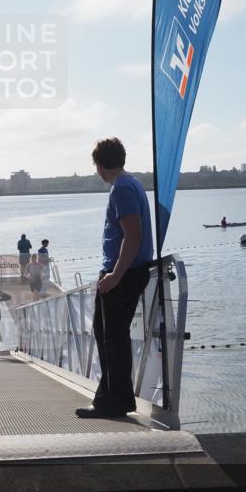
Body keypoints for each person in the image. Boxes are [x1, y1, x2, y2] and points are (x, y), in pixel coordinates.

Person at [76, 138, 154, 419]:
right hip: (126, 271)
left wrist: (115, 275)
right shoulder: (131, 184)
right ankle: (111, 398)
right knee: (108, 335)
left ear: (99, 165)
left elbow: (133, 236)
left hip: (123, 273)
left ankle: (114, 402)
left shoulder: (121, 188)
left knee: (112, 339)